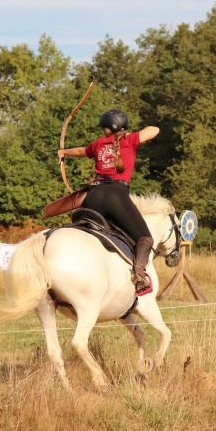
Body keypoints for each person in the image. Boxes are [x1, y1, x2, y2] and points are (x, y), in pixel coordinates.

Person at [57, 109, 160, 295]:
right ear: (122, 126)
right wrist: (130, 135)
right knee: (145, 238)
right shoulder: (129, 140)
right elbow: (155, 130)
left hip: (92, 197)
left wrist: (63, 152)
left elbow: (80, 151)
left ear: (106, 128)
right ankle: (138, 275)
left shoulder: (98, 144)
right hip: (116, 197)